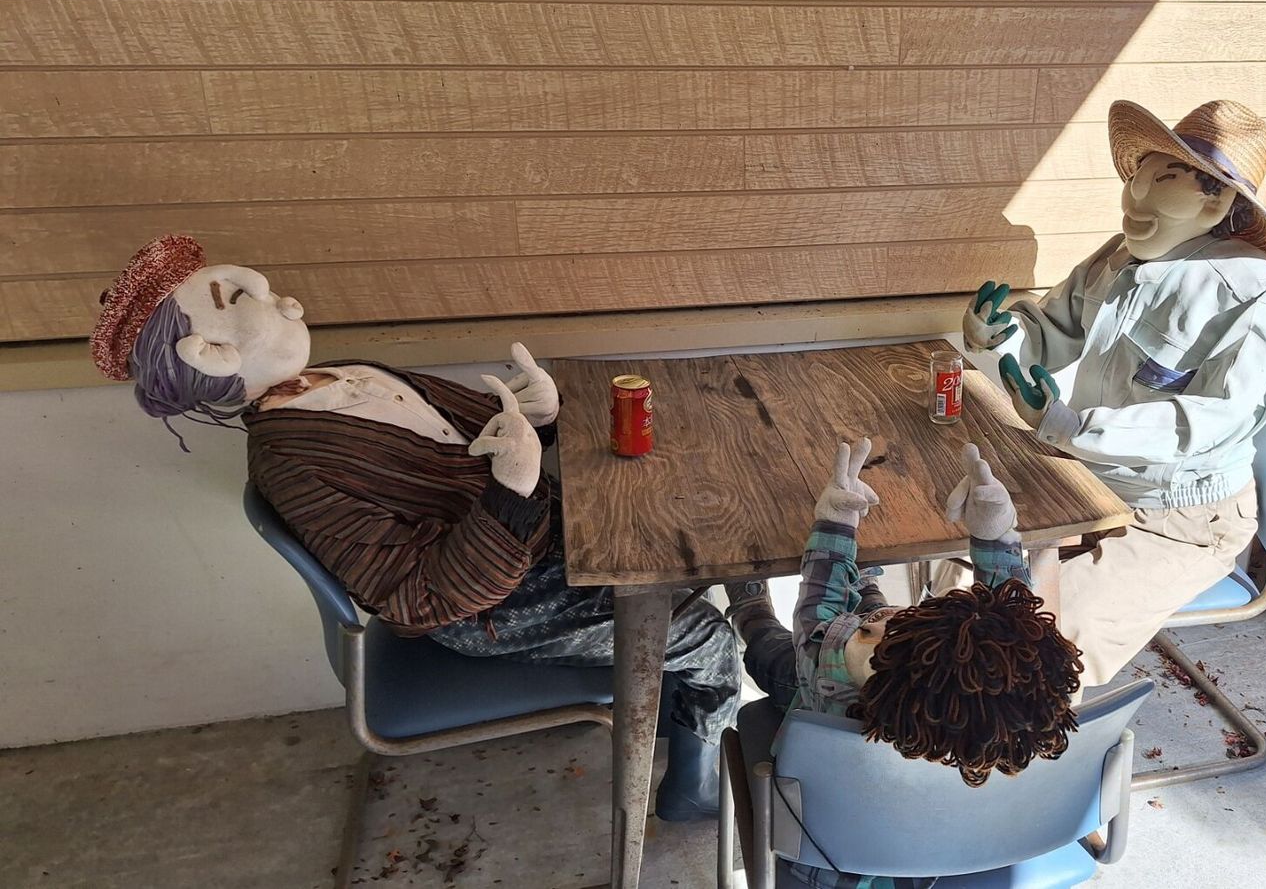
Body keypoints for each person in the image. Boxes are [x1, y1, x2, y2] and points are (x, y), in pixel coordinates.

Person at [90, 235, 738, 821]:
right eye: (242, 299)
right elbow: (417, 597)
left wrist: (535, 418)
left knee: (687, 534)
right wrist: (513, 490)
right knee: (705, 632)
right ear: (210, 353)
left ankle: (684, 698)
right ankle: (695, 782)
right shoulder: (293, 463)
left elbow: (466, 439)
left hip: (543, 537)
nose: (286, 302)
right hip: (494, 606)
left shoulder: (339, 376)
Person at [962, 99, 1266, 690]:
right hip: (1088, 480)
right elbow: (1052, 331)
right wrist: (1000, 333)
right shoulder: (1118, 257)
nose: (1136, 199)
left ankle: (1034, 737)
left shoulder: (1252, 294)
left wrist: (1072, 427)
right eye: (1139, 178)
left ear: (1216, 201)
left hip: (1181, 516)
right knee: (961, 581)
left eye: (1163, 183)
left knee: (1042, 645)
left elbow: (1210, 419)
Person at [728, 439, 1084, 889]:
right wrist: (996, 534)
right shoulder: (1005, 721)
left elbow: (818, 608)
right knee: (873, 617)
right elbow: (1011, 633)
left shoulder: (831, 676)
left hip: (823, 861)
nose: (881, 624)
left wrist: (835, 522)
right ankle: (864, 587)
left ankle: (752, 614)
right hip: (966, 853)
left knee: (773, 651)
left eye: (875, 638)